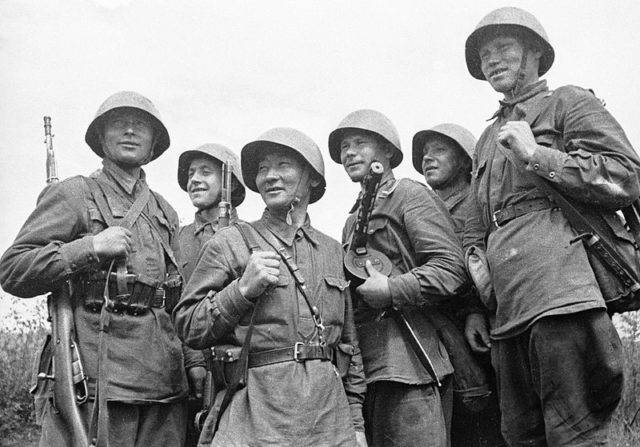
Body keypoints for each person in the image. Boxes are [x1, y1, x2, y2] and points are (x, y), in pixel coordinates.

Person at [462, 7, 640, 445]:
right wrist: (476, 303)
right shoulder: (486, 138)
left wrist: (535, 155)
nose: (492, 61)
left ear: (535, 54)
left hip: (562, 295)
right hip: (506, 308)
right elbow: (473, 226)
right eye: (485, 55)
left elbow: (624, 176)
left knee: (575, 433)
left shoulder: (568, 101)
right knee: (521, 436)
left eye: (503, 48)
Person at [0, 91, 189, 446]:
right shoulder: (75, 194)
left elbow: (178, 299)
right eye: (119, 123)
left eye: (141, 126)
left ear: (153, 144)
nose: (130, 131)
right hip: (97, 380)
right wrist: (89, 248)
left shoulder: (165, 212)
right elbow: (13, 269)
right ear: (101, 138)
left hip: (164, 382)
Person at [173, 127, 368, 446]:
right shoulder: (231, 242)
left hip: (328, 419)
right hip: (257, 416)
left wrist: (356, 423)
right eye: (263, 168)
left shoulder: (334, 251)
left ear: (313, 178)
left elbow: (349, 344)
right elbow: (188, 325)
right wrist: (242, 291)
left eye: (283, 166)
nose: (270, 176)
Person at [329, 109, 468, 447]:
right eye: (345, 146)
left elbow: (451, 267)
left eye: (360, 143)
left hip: (410, 362)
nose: (349, 153)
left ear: (387, 152)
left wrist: (392, 289)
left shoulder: (409, 194)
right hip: (364, 371)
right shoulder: (351, 222)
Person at [412, 124, 504, 447]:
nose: (427, 158)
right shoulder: (421, 209)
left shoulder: (478, 205)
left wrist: (473, 312)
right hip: (436, 332)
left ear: (465, 161)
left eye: (438, 150)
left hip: (481, 329)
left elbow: (480, 264)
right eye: (424, 153)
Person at [176, 143, 246, 447]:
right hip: (181, 367)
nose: (195, 179)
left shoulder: (250, 237)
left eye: (206, 172)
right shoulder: (176, 239)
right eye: (191, 173)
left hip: (236, 369)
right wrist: (193, 361)